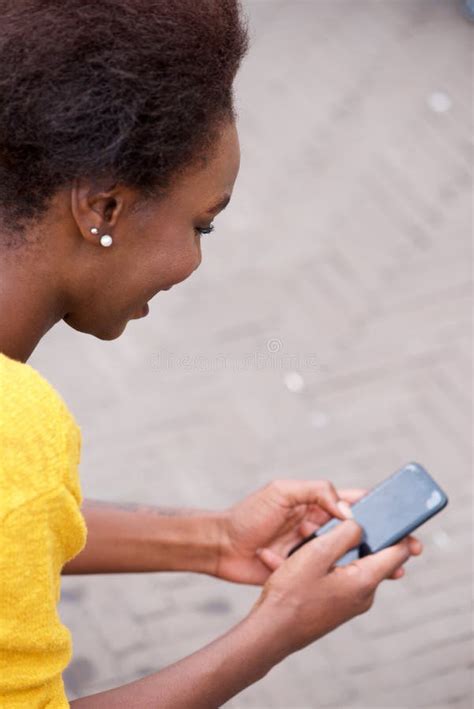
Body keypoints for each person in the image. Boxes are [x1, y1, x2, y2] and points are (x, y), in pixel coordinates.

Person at [0, 1, 423, 706]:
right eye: (202, 224)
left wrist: (215, 538)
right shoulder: (17, 429)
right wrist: (274, 631)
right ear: (101, 208)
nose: (192, 262)